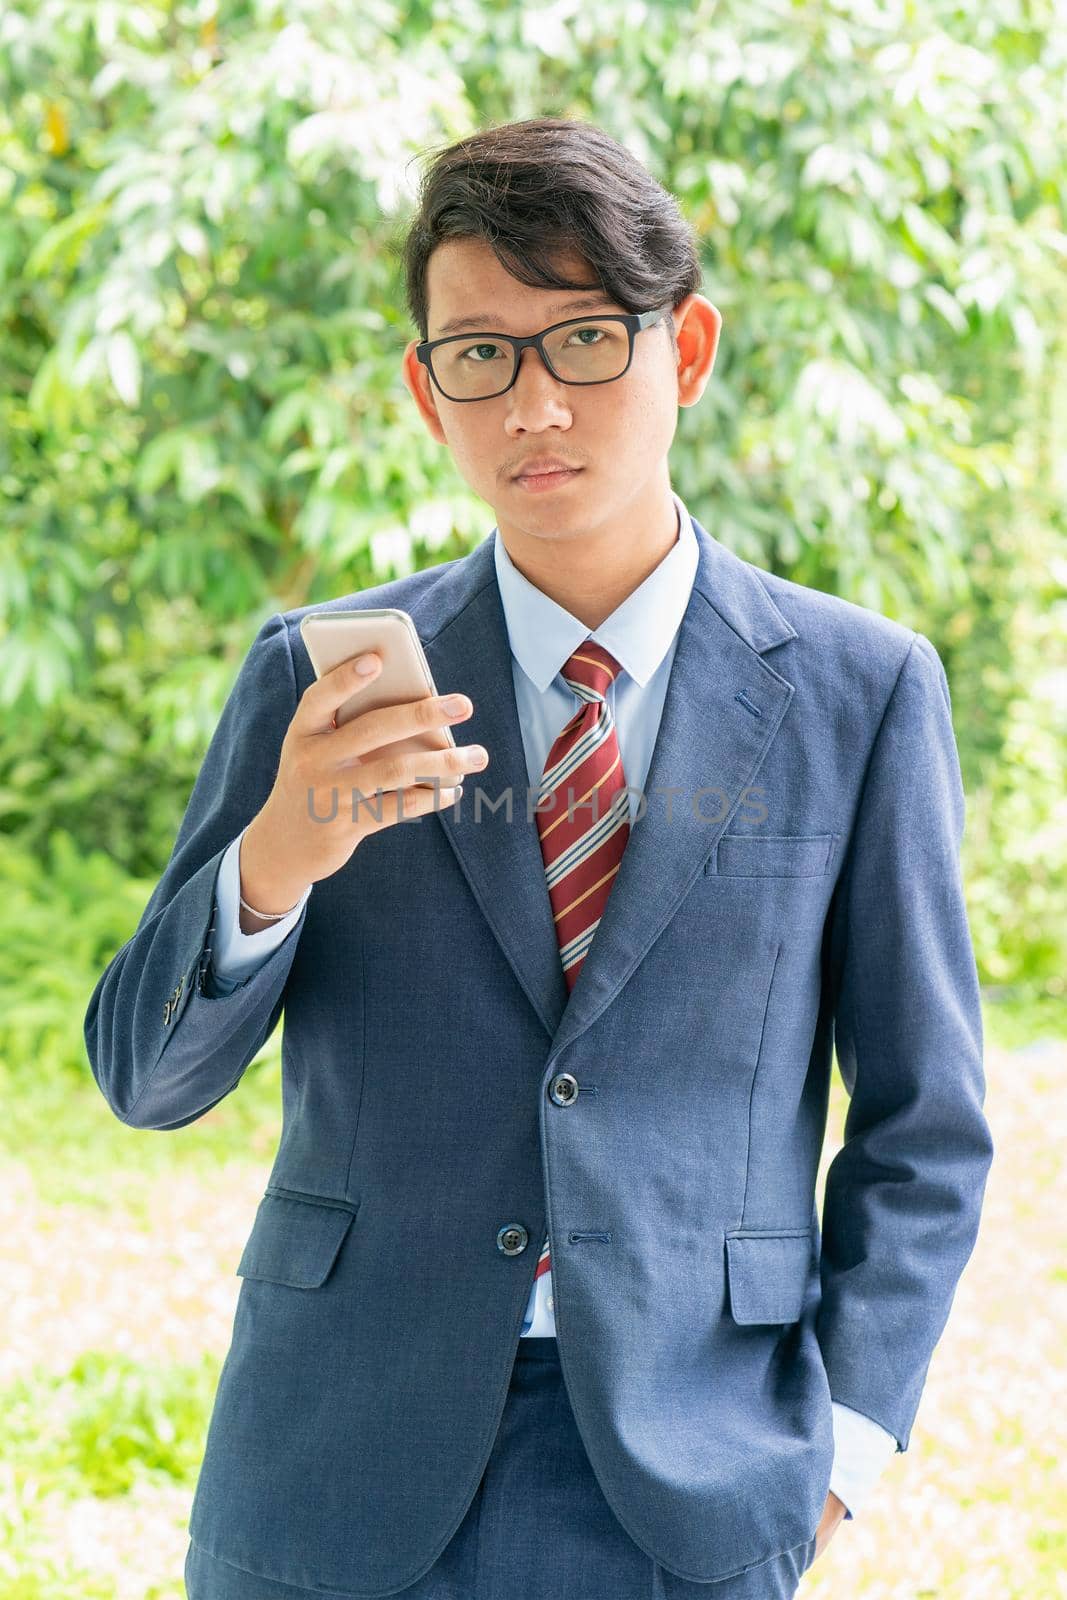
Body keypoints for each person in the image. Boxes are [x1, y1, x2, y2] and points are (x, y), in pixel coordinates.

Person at [84, 116, 994, 1600]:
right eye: (481, 356)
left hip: (690, 1476)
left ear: (683, 350)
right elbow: (146, 1079)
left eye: (582, 341)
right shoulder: (323, 682)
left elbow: (927, 1126)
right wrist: (276, 858)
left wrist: (839, 1452)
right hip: (337, 1462)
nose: (534, 408)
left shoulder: (859, 692)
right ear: (424, 387)